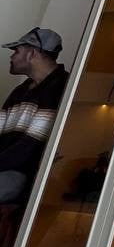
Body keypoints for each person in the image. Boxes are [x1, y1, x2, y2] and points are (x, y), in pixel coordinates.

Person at [0, 28, 68, 204]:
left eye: (16, 51)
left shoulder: (61, 87)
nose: (12, 57)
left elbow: (28, 149)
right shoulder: (20, 91)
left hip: (24, 176)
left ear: (31, 53)